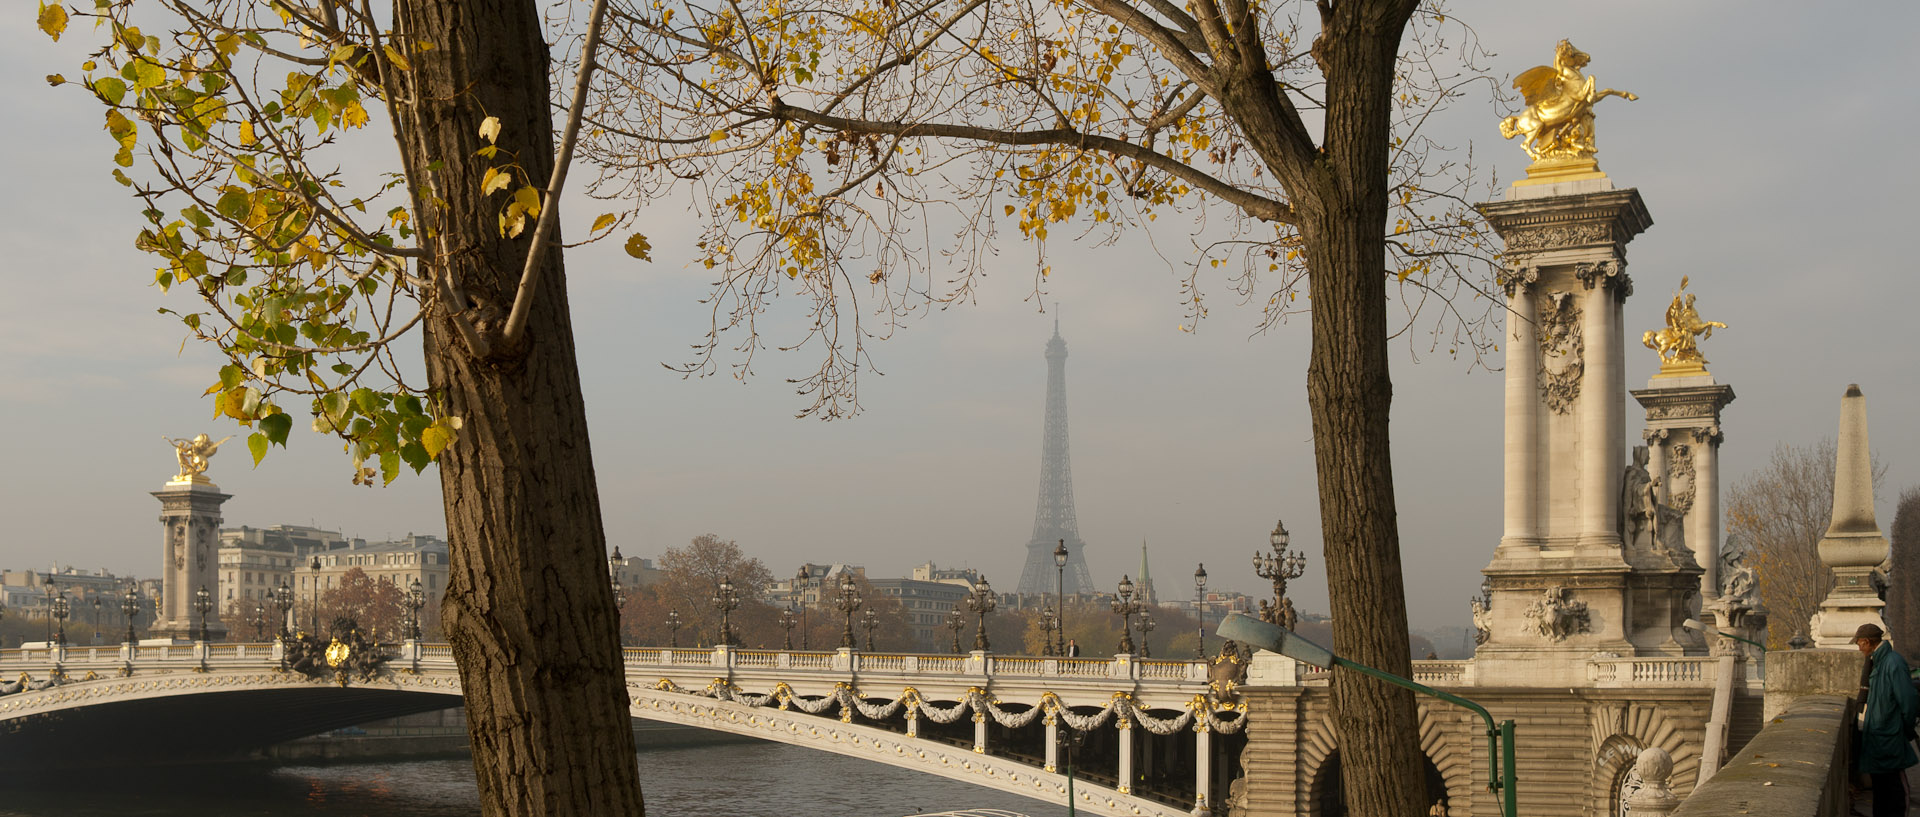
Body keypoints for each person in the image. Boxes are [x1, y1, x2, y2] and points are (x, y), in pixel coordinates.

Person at [1855, 623, 1918, 817]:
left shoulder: (1893, 663)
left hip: (1889, 739)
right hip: (1880, 741)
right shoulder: (1880, 663)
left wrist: (1904, 731)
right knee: (1883, 794)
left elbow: (1908, 703)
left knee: (1896, 794)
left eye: (1859, 644)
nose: (1859, 649)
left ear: (1867, 642)